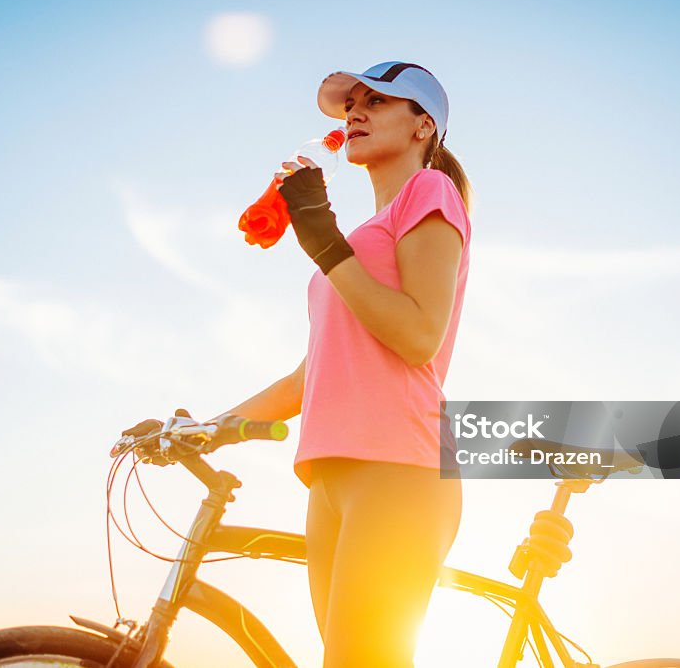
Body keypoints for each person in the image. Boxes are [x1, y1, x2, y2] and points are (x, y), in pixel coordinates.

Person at [124, 60, 473, 667]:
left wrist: (321, 238)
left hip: (400, 468)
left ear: (423, 126)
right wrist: (207, 430)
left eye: (378, 101)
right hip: (330, 473)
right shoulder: (366, 231)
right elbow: (308, 376)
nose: (355, 112)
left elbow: (418, 335)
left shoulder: (428, 192)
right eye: (350, 104)